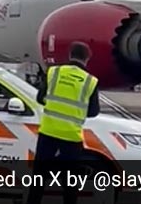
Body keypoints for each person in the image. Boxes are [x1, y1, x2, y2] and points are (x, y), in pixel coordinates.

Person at [25, 42, 101, 204]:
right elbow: (94, 111)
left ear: (69, 55)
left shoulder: (54, 72)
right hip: (71, 137)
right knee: (69, 182)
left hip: (48, 132)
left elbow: (40, 98)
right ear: (87, 59)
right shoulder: (91, 81)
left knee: (39, 177)